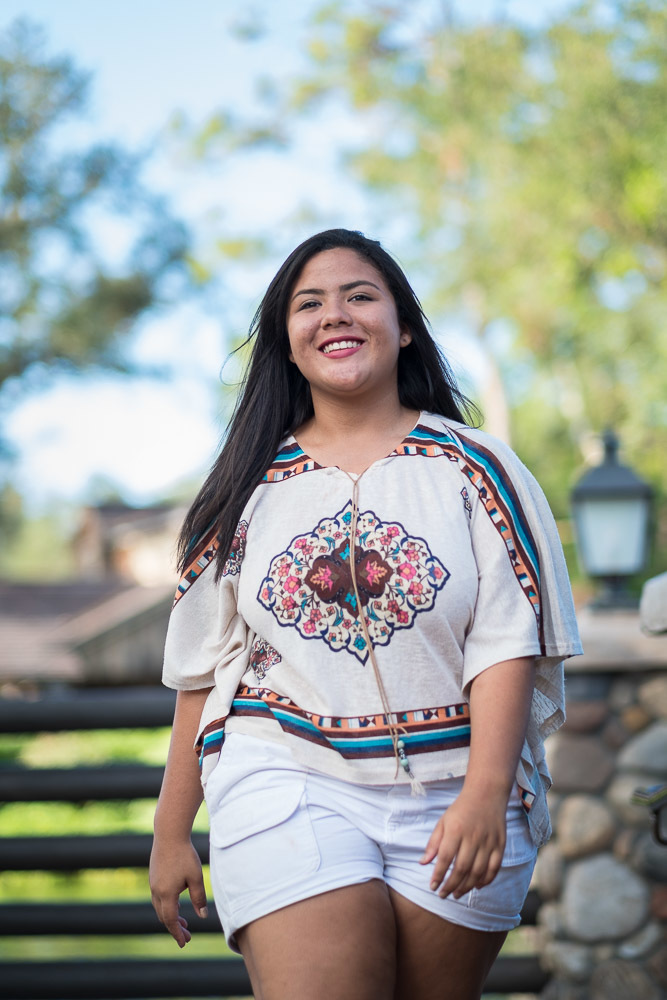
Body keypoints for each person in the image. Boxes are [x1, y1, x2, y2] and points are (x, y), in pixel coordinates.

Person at [149, 229, 581, 1000]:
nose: (333, 315)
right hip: (283, 772)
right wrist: (170, 830)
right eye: (308, 303)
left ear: (402, 324)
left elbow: (507, 642)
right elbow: (201, 671)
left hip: (458, 790)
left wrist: (484, 796)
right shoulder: (242, 492)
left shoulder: (475, 468)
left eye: (358, 296)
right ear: (287, 341)